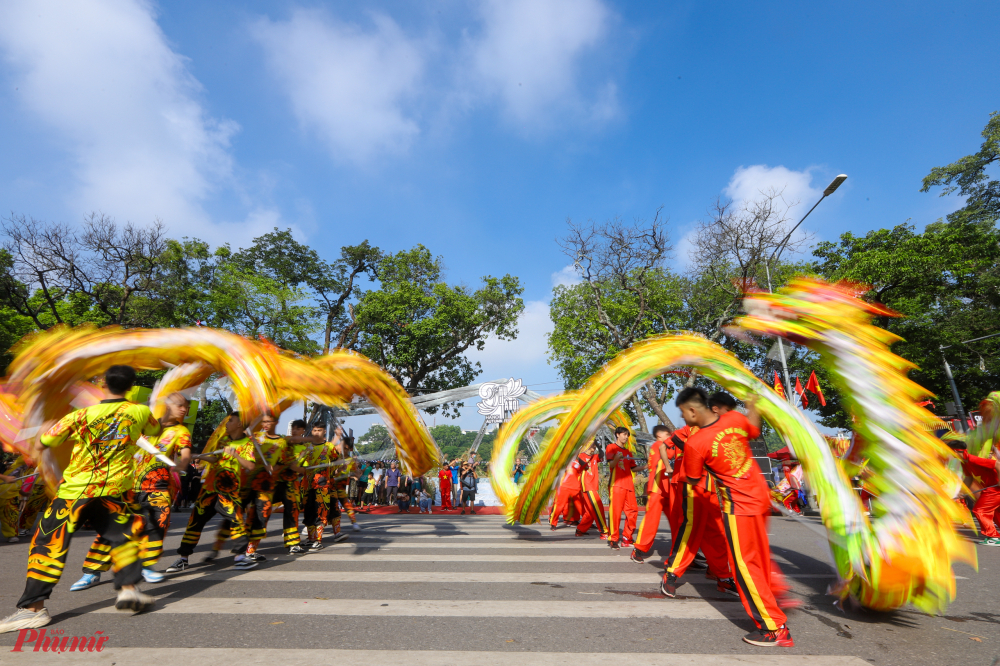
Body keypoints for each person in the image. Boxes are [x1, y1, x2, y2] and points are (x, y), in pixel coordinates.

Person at [0, 365, 160, 634]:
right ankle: (129, 590)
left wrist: (50, 428)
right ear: (131, 386)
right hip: (114, 490)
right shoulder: (140, 411)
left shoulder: (79, 415)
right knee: (123, 538)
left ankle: (32, 610)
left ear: (104, 385)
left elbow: (41, 445)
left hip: (76, 492)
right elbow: (154, 431)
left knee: (47, 542)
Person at [668, 387, 793, 648]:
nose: (683, 419)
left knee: (745, 567)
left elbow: (692, 478)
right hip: (759, 499)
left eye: (683, 413)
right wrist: (754, 406)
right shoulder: (734, 419)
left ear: (693, 410)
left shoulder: (695, 442)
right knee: (757, 560)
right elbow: (754, 430)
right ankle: (773, 608)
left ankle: (773, 627)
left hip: (739, 507)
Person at [71, 392, 193, 591]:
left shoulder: (181, 432)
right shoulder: (145, 423)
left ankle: (146, 565)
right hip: (127, 485)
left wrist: (182, 464)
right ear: (166, 405)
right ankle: (91, 572)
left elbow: (186, 454)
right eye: (180, 405)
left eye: (186, 407)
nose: (184, 409)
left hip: (158, 486)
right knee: (111, 529)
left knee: (159, 523)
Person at [660, 393, 739, 595]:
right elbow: (672, 441)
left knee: (717, 534)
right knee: (690, 530)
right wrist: (696, 453)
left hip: (710, 486)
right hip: (693, 483)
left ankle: (722, 576)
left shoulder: (723, 432)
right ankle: (671, 573)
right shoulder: (693, 427)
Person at [164, 413, 258, 573]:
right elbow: (217, 459)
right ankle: (183, 558)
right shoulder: (223, 441)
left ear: (239, 425)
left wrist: (235, 454)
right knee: (195, 521)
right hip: (209, 489)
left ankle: (240, 557)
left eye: (231, 421)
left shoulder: (248, 444)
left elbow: (250, 467)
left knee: (236, 522)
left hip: (229, 491)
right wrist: (201, 457)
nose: (226, 423)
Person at [631, 425, 675, 561]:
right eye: (668, 434)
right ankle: (638, 549)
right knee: (651, 520)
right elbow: (671, 455)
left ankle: (681, 551)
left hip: (667, 488)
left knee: (677, 521)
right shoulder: (659, 445)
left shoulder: (660, 445)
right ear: (660, 435)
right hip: (657, 488)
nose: (670, 437)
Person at [951, 441, 1000, 545]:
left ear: (955, 451)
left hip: (995, 489)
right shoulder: (964, 462)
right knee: (995, 512)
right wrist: (961, 492)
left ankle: (994, 537)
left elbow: (997, 464)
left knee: (980, 510)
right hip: (989, 489)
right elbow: (969, 478)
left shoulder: (972, 459)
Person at [606, 427, 639, 549]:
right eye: (624, 434)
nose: (626, 437)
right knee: (615, 513)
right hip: (616, 484)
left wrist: (647, 466)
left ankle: (627, 538)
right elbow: (611, 465)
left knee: (633, 511)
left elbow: (633, 468)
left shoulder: (628, 452)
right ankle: (613, 539)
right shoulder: (611, 447)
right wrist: (617, 458)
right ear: (617, 435)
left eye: (627, 435)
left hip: (628, 485)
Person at [574, 442, 609, 539]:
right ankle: (604, 532)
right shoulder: (581, 455)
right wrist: (586, 448)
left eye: (594, 446)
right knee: (598, 508)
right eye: (591, 445)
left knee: (590, 512)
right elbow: (583, 464)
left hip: (592, 486)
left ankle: (580, 530)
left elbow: (602, 455)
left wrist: (598, 445)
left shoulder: (595, 456)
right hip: (587, 486)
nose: (593, 448)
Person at [550, 456, 585, 531]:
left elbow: (585, 467)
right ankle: (553, 523)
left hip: (576, 487)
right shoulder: (564, 460)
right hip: (564, 487)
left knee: (581, 507)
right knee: (559, 505)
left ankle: (586, 522)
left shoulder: (578, 461)